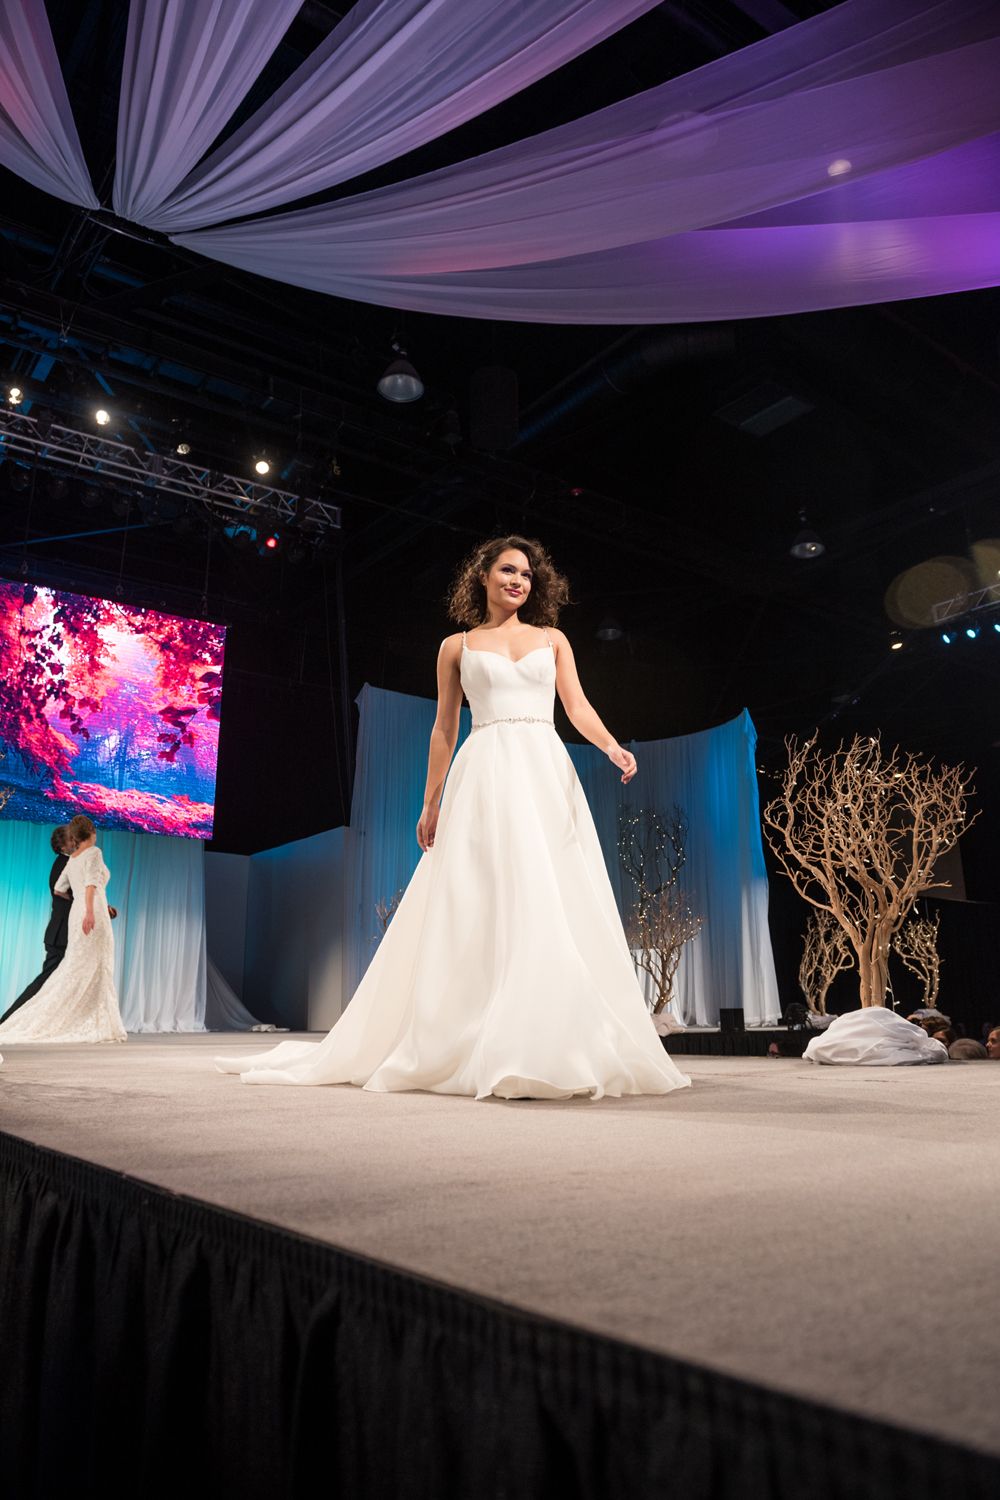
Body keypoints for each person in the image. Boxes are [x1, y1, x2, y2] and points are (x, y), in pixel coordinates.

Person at [218, 535, 691, 1100]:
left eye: (527, 575)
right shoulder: (456, 646)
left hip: (544, 769)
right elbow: (444, 729)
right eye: (508, 571)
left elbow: (577, 705)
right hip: (485, 770)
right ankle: (477, 1033)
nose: (519, 581)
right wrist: (430, 799)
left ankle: (551, 1035)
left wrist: (612, 745)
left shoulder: (553, 639)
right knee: (480, 896)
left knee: (554, 891)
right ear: (484, 576)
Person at [0, 814, 126, 1046]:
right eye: (69, 840)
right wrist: (90, 909)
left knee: (69, 975)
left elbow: (63, 890)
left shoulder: (72, 860)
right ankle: (14, 1020)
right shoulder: (79, 857)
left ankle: (39, 1020)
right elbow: (84, 887)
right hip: (68, 928)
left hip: (77, 919)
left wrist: (95, 906)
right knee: (56, 979)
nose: (73, 842)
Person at [3, 824, 73, 1019]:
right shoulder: (63, 865)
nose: (75, 840)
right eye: (71, 838)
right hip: (61, 934)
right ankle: (8, 1020)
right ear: (62, 847)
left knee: (57, 984)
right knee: (43, 983)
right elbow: (66, 895)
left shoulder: (69, 863)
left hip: (65, 933)